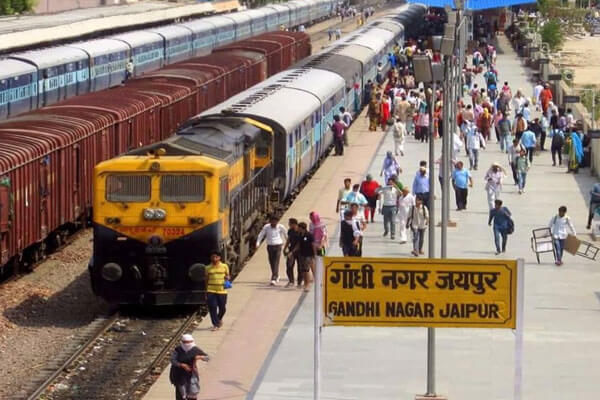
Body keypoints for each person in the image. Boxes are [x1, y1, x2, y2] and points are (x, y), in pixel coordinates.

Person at [169, 334, 209, 400]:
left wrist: (200, 357)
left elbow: (208, 358)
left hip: (191, 375)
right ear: (182, 342)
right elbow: (173, 360)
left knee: (192, 392)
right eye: (185, 342)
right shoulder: (178, 350)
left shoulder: (195, 350)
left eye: (189, 342)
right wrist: (181, 365)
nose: (187, 344)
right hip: (178, 375)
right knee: (180, 394)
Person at [256, 215, 287, 285]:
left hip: (278, 245)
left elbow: (286, 234)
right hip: (270, 246)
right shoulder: (266, 227)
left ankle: (274, 278)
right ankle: (276, 274)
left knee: (276, 261)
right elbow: (261, 234)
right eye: (272, 222)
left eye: (275, 222)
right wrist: (258, 243)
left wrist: (288, 245)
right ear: (270, 222)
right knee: (271, 261)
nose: (274, 224)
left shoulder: (280, 227)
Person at [205, 251, 230, 331]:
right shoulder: (207, 268)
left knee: (222, 308)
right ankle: (215, 324)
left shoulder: (224, 266)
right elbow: (206, 280)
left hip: (222, 291)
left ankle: (218, 319)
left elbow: (227, 275)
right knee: (212, 308)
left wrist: (227, 278)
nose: (214, 258)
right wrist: (206, 291)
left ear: (219, 257)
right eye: (212, 257)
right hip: (211, 290)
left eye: (216, 257)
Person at [295, 222, 315, 291]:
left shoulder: (309, 235)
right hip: (301, 254)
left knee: (306, 270)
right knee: (302, 270)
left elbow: (313, 245)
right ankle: (305, 283)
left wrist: (314, 254)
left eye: (298, 227)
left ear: (301, 228)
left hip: (308, 255)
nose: (297, 228)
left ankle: (307, 285)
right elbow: (298, 244)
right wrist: (292, 252)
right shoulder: (300, 234)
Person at [283, 218, 302, 288]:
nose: (289, 225)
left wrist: (292, 252)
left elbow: (299, 244)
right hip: (291, 250)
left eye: (290, 223)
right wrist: (285, 248)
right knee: (289, 265)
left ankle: (299, 282)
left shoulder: (300, 231)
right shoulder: (290, 231)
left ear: (294, 224)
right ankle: (291, 281)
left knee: (300, 267)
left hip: (300, 251)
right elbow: (289, 239)